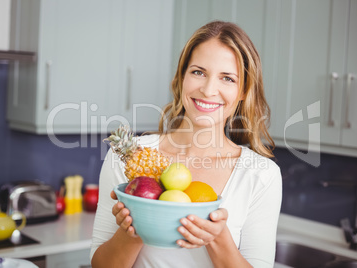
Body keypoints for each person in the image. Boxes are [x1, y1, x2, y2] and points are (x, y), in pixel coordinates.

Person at [90, 20, 282, 268]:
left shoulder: (261, 176)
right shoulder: (128, 157)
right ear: (182, 77)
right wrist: (135, 230)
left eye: (227, 79)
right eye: (198, 72)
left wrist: (217, 239)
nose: (208, 89)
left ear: (244, 91)